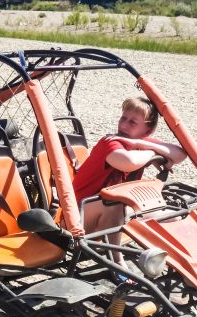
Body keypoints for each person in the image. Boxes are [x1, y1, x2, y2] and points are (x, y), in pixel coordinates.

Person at [72, 96, 187, 262]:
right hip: (77, 217)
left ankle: (170, 263)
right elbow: (128, 163)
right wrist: (153, 154)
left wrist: (145, 145)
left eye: (132, 122)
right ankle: (116, 263)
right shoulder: (110, 142)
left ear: (147, 132)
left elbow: (180, 154)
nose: (124, 125)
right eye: (123, 118)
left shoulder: (140, 143)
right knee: (115, 201)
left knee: (173, 216)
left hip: (113, 214)